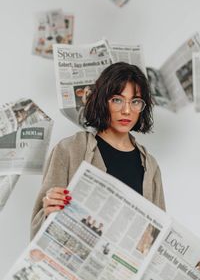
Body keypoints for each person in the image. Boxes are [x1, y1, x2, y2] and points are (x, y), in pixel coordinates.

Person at [31, 62, 166, 239]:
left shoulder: (150, 166)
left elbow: (158, 234)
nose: (127, 110)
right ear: (103, 101)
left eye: (135, 102)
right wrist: (49, 210)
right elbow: (38, 229)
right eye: (117, 100)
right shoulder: (69, 149)